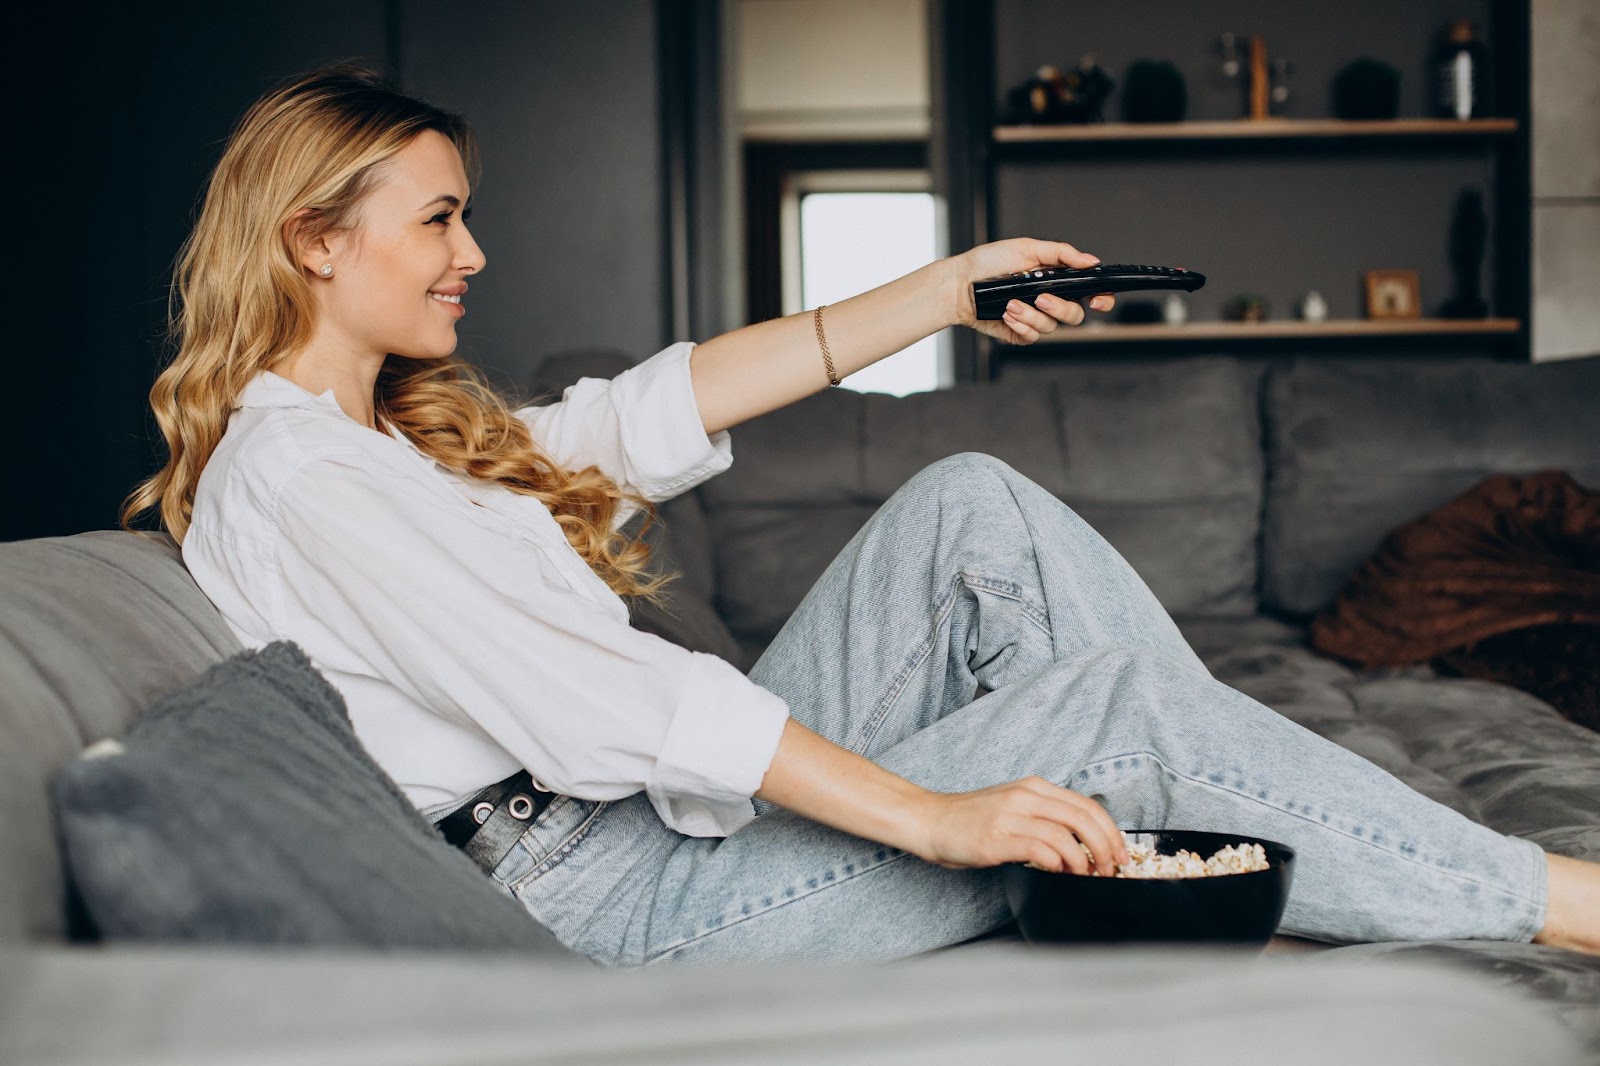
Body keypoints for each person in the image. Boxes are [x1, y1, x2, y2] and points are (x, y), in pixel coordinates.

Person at [123, 63, 1600, 967]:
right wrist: (939, 818)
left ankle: (1209, 856)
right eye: (438, 217)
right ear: (314, 237)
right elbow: (600, 700)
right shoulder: (304, 479)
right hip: (609, 905)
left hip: (640, 833)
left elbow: (647, 413)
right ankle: (1557, 896)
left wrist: (947, 287)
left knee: (972, 509)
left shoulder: (379, 435)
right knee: (1116, 715)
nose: (474, 249)